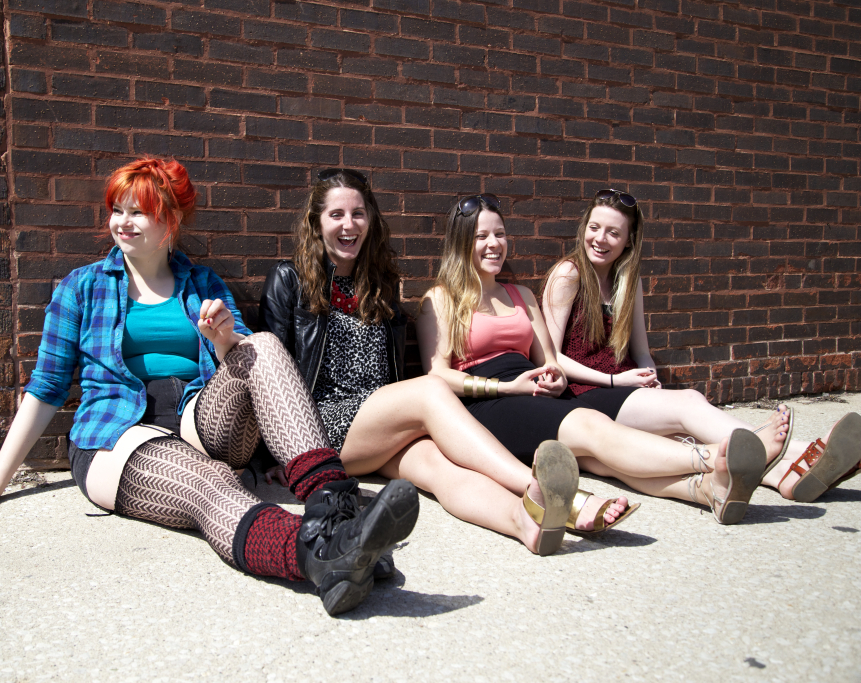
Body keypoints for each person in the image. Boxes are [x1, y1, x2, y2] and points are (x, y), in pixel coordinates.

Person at [0, 157, 420, 617]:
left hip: (194, 415)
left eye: (138, 212)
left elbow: (251, 372)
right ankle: (321, 555)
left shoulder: (201, 283)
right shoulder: (81, 287)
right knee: (214, 484)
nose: (123, 222)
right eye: (117, 211)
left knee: (264, 346)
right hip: (117, 434)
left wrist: (225, 338)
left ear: (169, 222)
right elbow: (46, 387)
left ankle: (332, 510)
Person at [259, 168, 629, 557]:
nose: (349, 225)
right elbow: (270, 377)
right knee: (431, 389)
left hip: (377, 426)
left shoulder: (380, 284)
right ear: (316, 223)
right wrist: (278, 455)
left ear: (370, 220)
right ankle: (549, 492)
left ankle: (524, 523)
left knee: (439, 468)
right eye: (336, 215)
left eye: (358, 214)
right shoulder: (289, 279)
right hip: (318, 428)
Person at [418, 193, 776, 524]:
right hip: (485, 403)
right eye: (482, 236)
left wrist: (554, 376)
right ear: (462, 241)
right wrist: (506, 386)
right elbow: (436, 375)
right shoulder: (441, 298)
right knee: (593, 427)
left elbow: (549, 358)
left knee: (596, 458)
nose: (494, 244)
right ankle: (716, 457)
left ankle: (703, 490)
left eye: (500, 234)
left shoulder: (521, 294)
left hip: (530, 392)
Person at [541, 189, 861, 503]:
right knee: (689, 403)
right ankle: (804, 450)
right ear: (584, 228)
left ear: (629, 241)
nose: (600, 239)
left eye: (613, 232)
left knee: (686, 440)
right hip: (585, 394)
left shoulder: (628, 280)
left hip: (625, 390)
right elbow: (549, 356)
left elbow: (640, 351)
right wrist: (616, 380)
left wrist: (649, 375)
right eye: (594, 228)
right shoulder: (569, 274)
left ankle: (784, 479)